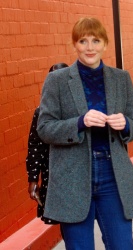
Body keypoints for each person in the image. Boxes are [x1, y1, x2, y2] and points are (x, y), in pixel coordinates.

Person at [37, 17, 133, 250]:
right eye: (83, 41)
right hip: (72, 176)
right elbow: (44, 128)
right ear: (74, 45)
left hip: (113, 174)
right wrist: (79, 122)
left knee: (122, 246)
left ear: (105, 44)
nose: (90, 47)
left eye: (96, 40)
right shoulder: (57, 80)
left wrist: (125, 124)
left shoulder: (121, 79)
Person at [26, 62, 68, 224]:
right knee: (65, 222)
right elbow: (35, 145)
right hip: (53, 175)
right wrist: (33, 179)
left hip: (80, 173)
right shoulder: (42, 112)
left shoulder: (83, 110)